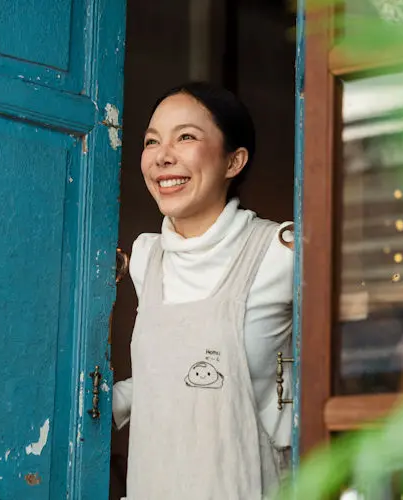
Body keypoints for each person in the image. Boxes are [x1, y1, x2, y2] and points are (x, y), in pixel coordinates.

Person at [113, 82, 293, 500]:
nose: (162, 156)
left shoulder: (279, 253)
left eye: (186, 137)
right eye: (152, 141)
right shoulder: (144, 257)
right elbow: (176, 372)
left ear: (234, 161)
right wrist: (97, 403)